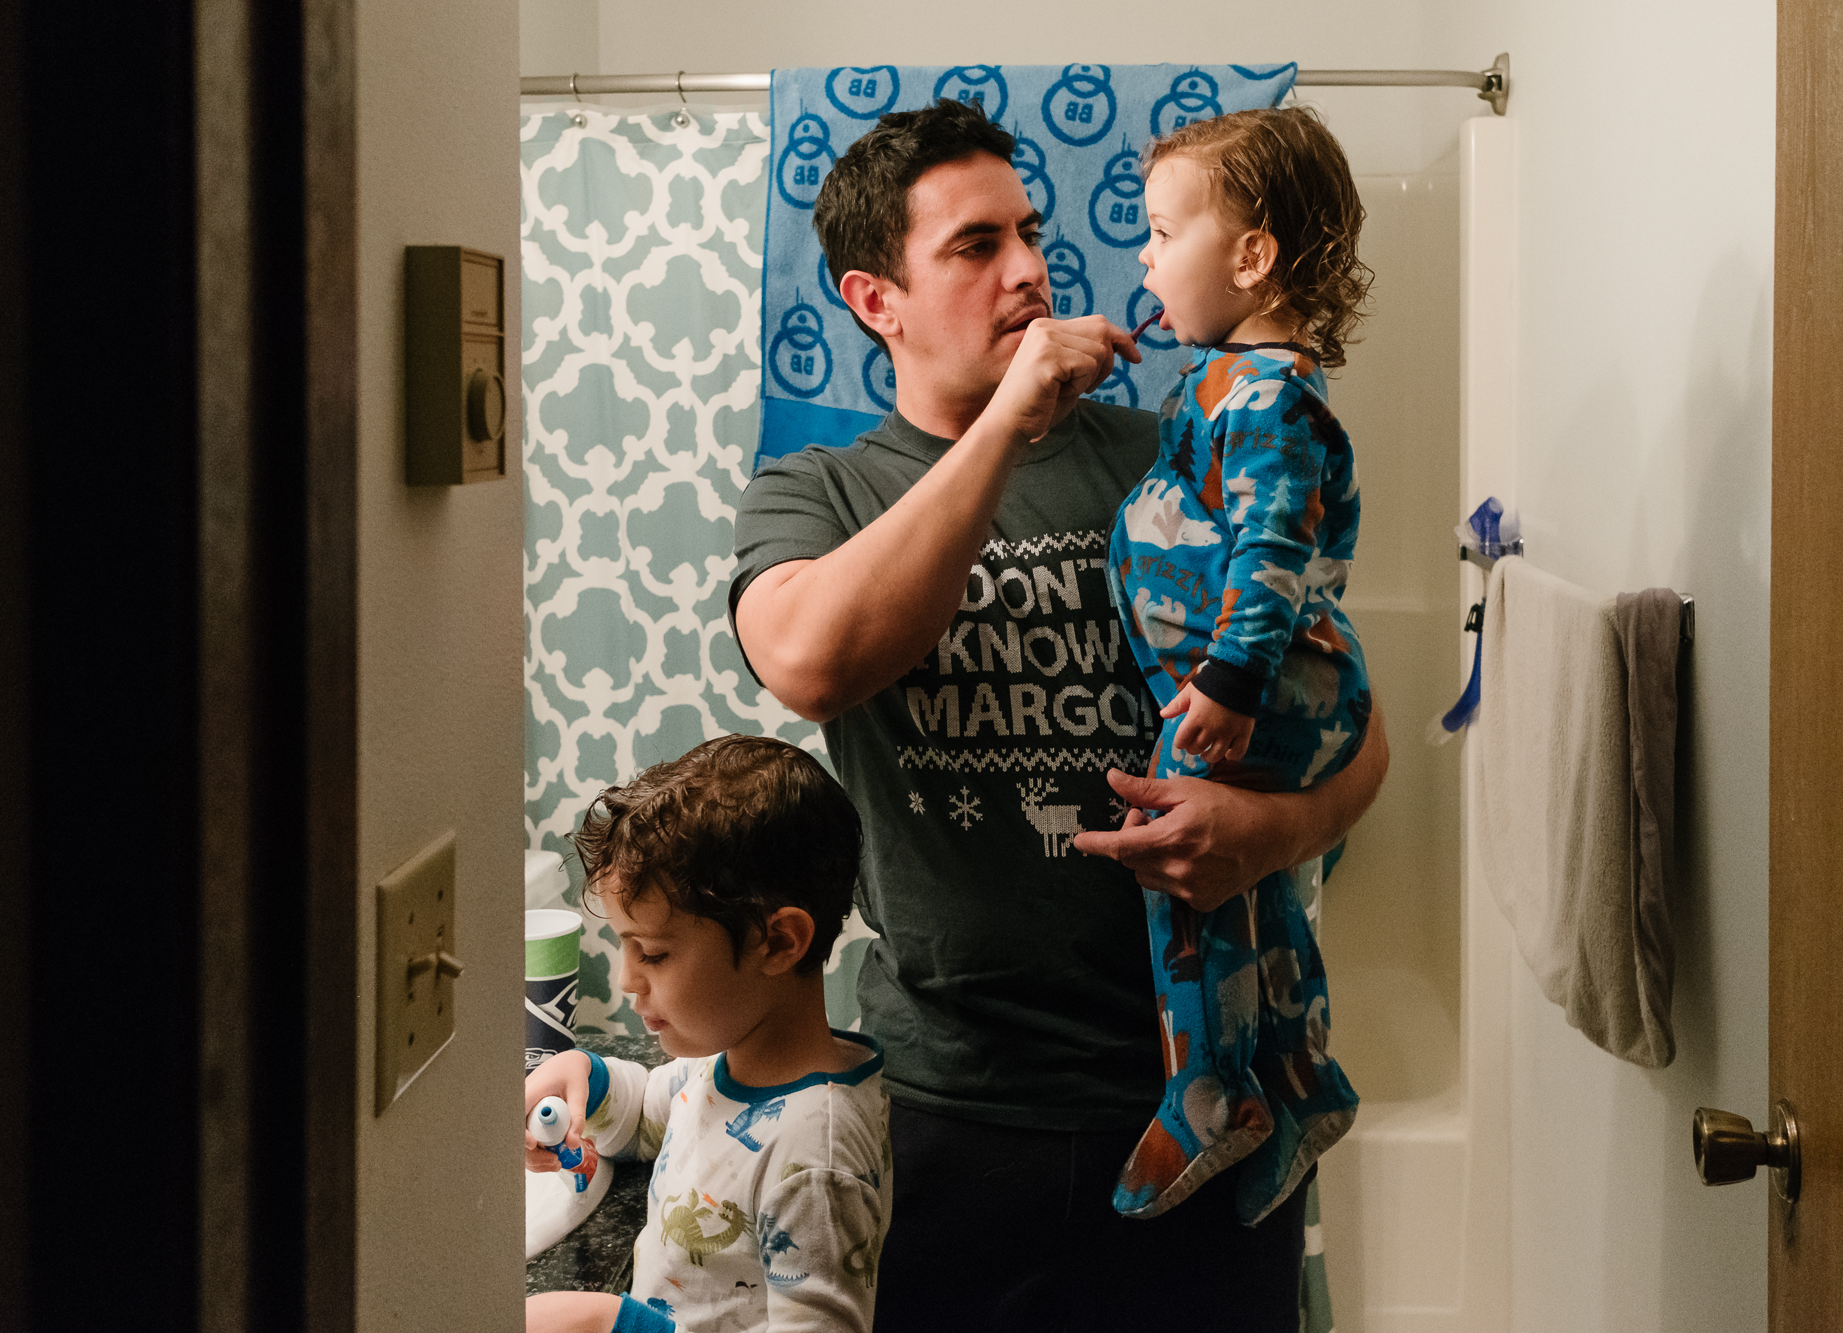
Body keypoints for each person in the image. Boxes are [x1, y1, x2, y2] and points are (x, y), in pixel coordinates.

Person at [731, 99, 1387, 1331]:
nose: (1029, 268)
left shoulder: (1175, 446)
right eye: (974, 247)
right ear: (877, 301)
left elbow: (1355, 724)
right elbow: (810, 663)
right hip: (952, 1110)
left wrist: (1267, 832)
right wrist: (1000, 428)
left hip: (1198, 1095)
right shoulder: (816, 489)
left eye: (1026, 232)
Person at [1105, 106, 1373, 1228]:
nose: (1142, 257)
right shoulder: (1233, 380)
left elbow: (1268, 546)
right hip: (1266, 682)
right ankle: (1299, 1077)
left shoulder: (1264, 394)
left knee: (1190, 888)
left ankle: (1206, 1091)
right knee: (1260, 903)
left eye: (1162, 233)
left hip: (1253, 686)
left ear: (1250, 258)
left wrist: (1221, 682)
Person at [523, 735, 891, 1333]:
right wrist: (584, 1080)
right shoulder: (732, 1064)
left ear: (777, 942)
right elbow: (649, 1114)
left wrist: (620, 1325)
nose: (626, 981)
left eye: (655, 954)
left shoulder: (813, 1159)